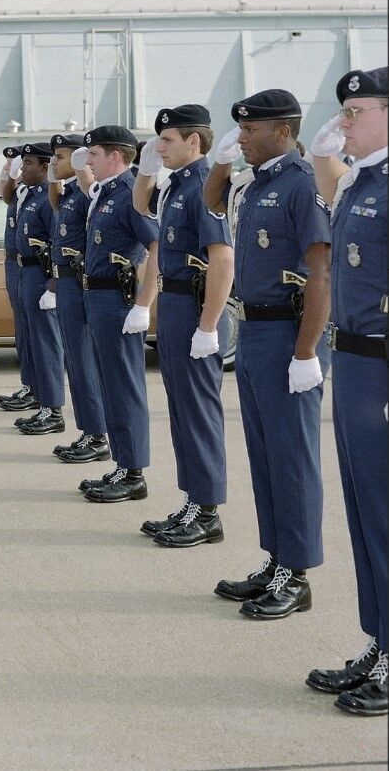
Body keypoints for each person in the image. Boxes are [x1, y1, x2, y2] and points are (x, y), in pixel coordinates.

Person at [208, 89, 331, 621]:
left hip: (288, 334)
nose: (243, 139)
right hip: (255, 331)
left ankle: (296, 573)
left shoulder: (300, 185)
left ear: (283, 130)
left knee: (291, 457)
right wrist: (221, 161)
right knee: (263, 456)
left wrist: (307, 351)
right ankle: (276, 557)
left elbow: (320, 271)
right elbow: (210, 202)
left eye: (251, 130)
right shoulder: (257, 183)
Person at [304, 67, 387, 716]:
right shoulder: (364, 184)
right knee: (366, 516)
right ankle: (380, 641)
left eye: (356, 110)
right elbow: (327, 167)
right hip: (355, 364)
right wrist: (333, 144)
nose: (345, 121)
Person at [133, 105, 235, 548]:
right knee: (180, 411)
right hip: (174, 303)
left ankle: (208, 510)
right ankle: (194, 501)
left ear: (195, 140)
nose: (160, 146)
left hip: (195, 308)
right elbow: (140, 204)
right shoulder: (176, 185)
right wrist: (147, 168)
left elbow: (223, 259)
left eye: (168, 140)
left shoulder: (206, 186)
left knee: (198, 413)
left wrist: (209, 326)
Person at [78, 125, 161, 503]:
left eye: (94, 153)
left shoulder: (129, 194)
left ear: (116, 156)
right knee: (111, 385)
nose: (88, 159)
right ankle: (123, 463)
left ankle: (134, 472)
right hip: (98, 299)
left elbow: (156, 245)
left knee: (125, 387)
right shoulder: (107, 193)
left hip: (119, 302)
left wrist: (143, 304)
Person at [47, 134, 109, 463]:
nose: (54, 163)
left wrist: (83, 169)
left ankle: (98, 434)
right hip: (67, 281)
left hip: (82, 281)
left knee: (84, 362)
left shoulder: (89, 194)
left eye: (60, 157)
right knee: (75, 361)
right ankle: (88, 430)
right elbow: (56, 198)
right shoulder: (70, 193)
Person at [9, 142, 66, 436]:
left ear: (45, 168)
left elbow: (58, 242)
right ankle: (42, 401)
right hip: (25, 272)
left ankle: (53, 409)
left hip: (40, 274)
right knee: (32, 341)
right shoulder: (29, 196)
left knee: (46, 344)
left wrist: (53, 286)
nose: (23, 168)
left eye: (29, 163)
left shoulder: (48, 200)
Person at [0, 151, 38, 411]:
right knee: (23, 332)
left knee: (37, 335)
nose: (15, 167)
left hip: (33, 265)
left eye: (21, 162)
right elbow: (4, 194)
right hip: (15, 262)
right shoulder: (21, 192)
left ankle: (40, 391)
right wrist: (7, 174)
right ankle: (30, 385)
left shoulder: (40, 192)